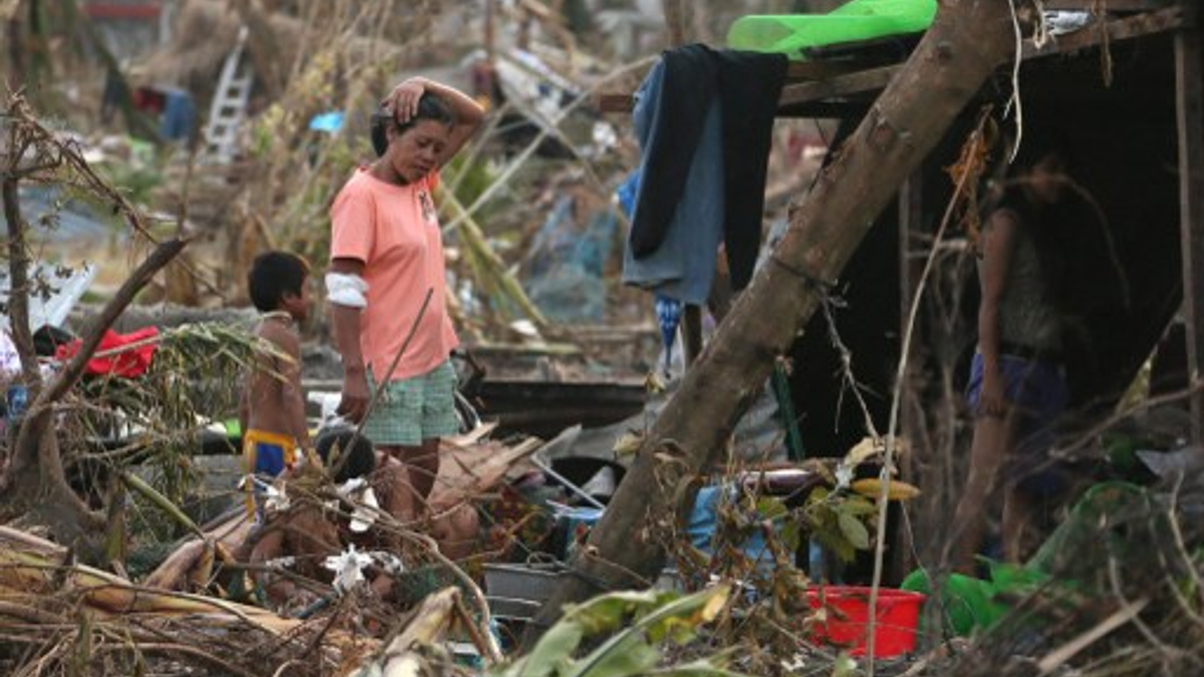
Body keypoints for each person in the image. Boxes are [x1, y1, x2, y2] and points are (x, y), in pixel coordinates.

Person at [327, 77, 485, 523]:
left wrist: (420, 83)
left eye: (438, 148)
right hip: (389, 360)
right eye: (421, 144)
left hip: (430, 353)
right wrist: (354, 371)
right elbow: (343, 287)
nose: (430, 156)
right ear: (392, 133)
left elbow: (473, 116)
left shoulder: (420, 183)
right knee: (386, 470)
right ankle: (386, 552)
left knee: (424, 459)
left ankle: (409, 540)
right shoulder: (362, 196)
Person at [950, 134, 1075, 573]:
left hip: (1043, 366)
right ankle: (958, 586)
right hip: (1009, 363)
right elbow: (991, 300)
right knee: (983, 481)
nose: (1059, 179)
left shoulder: (1045, 227)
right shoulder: (1005, 221)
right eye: (1050, 168)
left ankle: (1010, 578)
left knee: (1024, 486)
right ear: (1025, 171)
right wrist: (994, 375)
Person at [240, 251, 313, 519]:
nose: (311, 299)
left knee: (260, 520)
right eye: (308, 290)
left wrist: (245, 442)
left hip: (253, 443)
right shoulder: (284, 337)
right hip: (274, 446)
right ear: (288, 296)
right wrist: (307, 449)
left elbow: (244, 400)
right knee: (279, 523)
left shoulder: (256, 332)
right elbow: (291, 395)